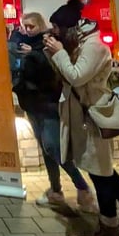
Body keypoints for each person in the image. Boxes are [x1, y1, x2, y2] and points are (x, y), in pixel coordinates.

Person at [45, 0, 119, 236]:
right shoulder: (79, 44)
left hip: (95, 117)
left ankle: (109, 231)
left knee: (100, 173)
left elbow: (76, 75)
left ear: (70, 28)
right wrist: (54, 53)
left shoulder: (94, 47)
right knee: (103, 170)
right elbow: (64, 75)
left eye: (57, 28)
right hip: (86, 117)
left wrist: (59, 52)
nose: (54, 33)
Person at [12, 12, 97, 213]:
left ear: (41, 26)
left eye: (31, 26)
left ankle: (83, 188)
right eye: (24, 26)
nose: (27, 29)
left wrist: (32, 53)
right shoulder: (22, 41)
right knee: (46, 148)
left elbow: (54, 67)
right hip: (31, 104)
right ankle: (56, 191)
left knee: (52, 147)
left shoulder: (49, 43)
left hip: (49, 104)